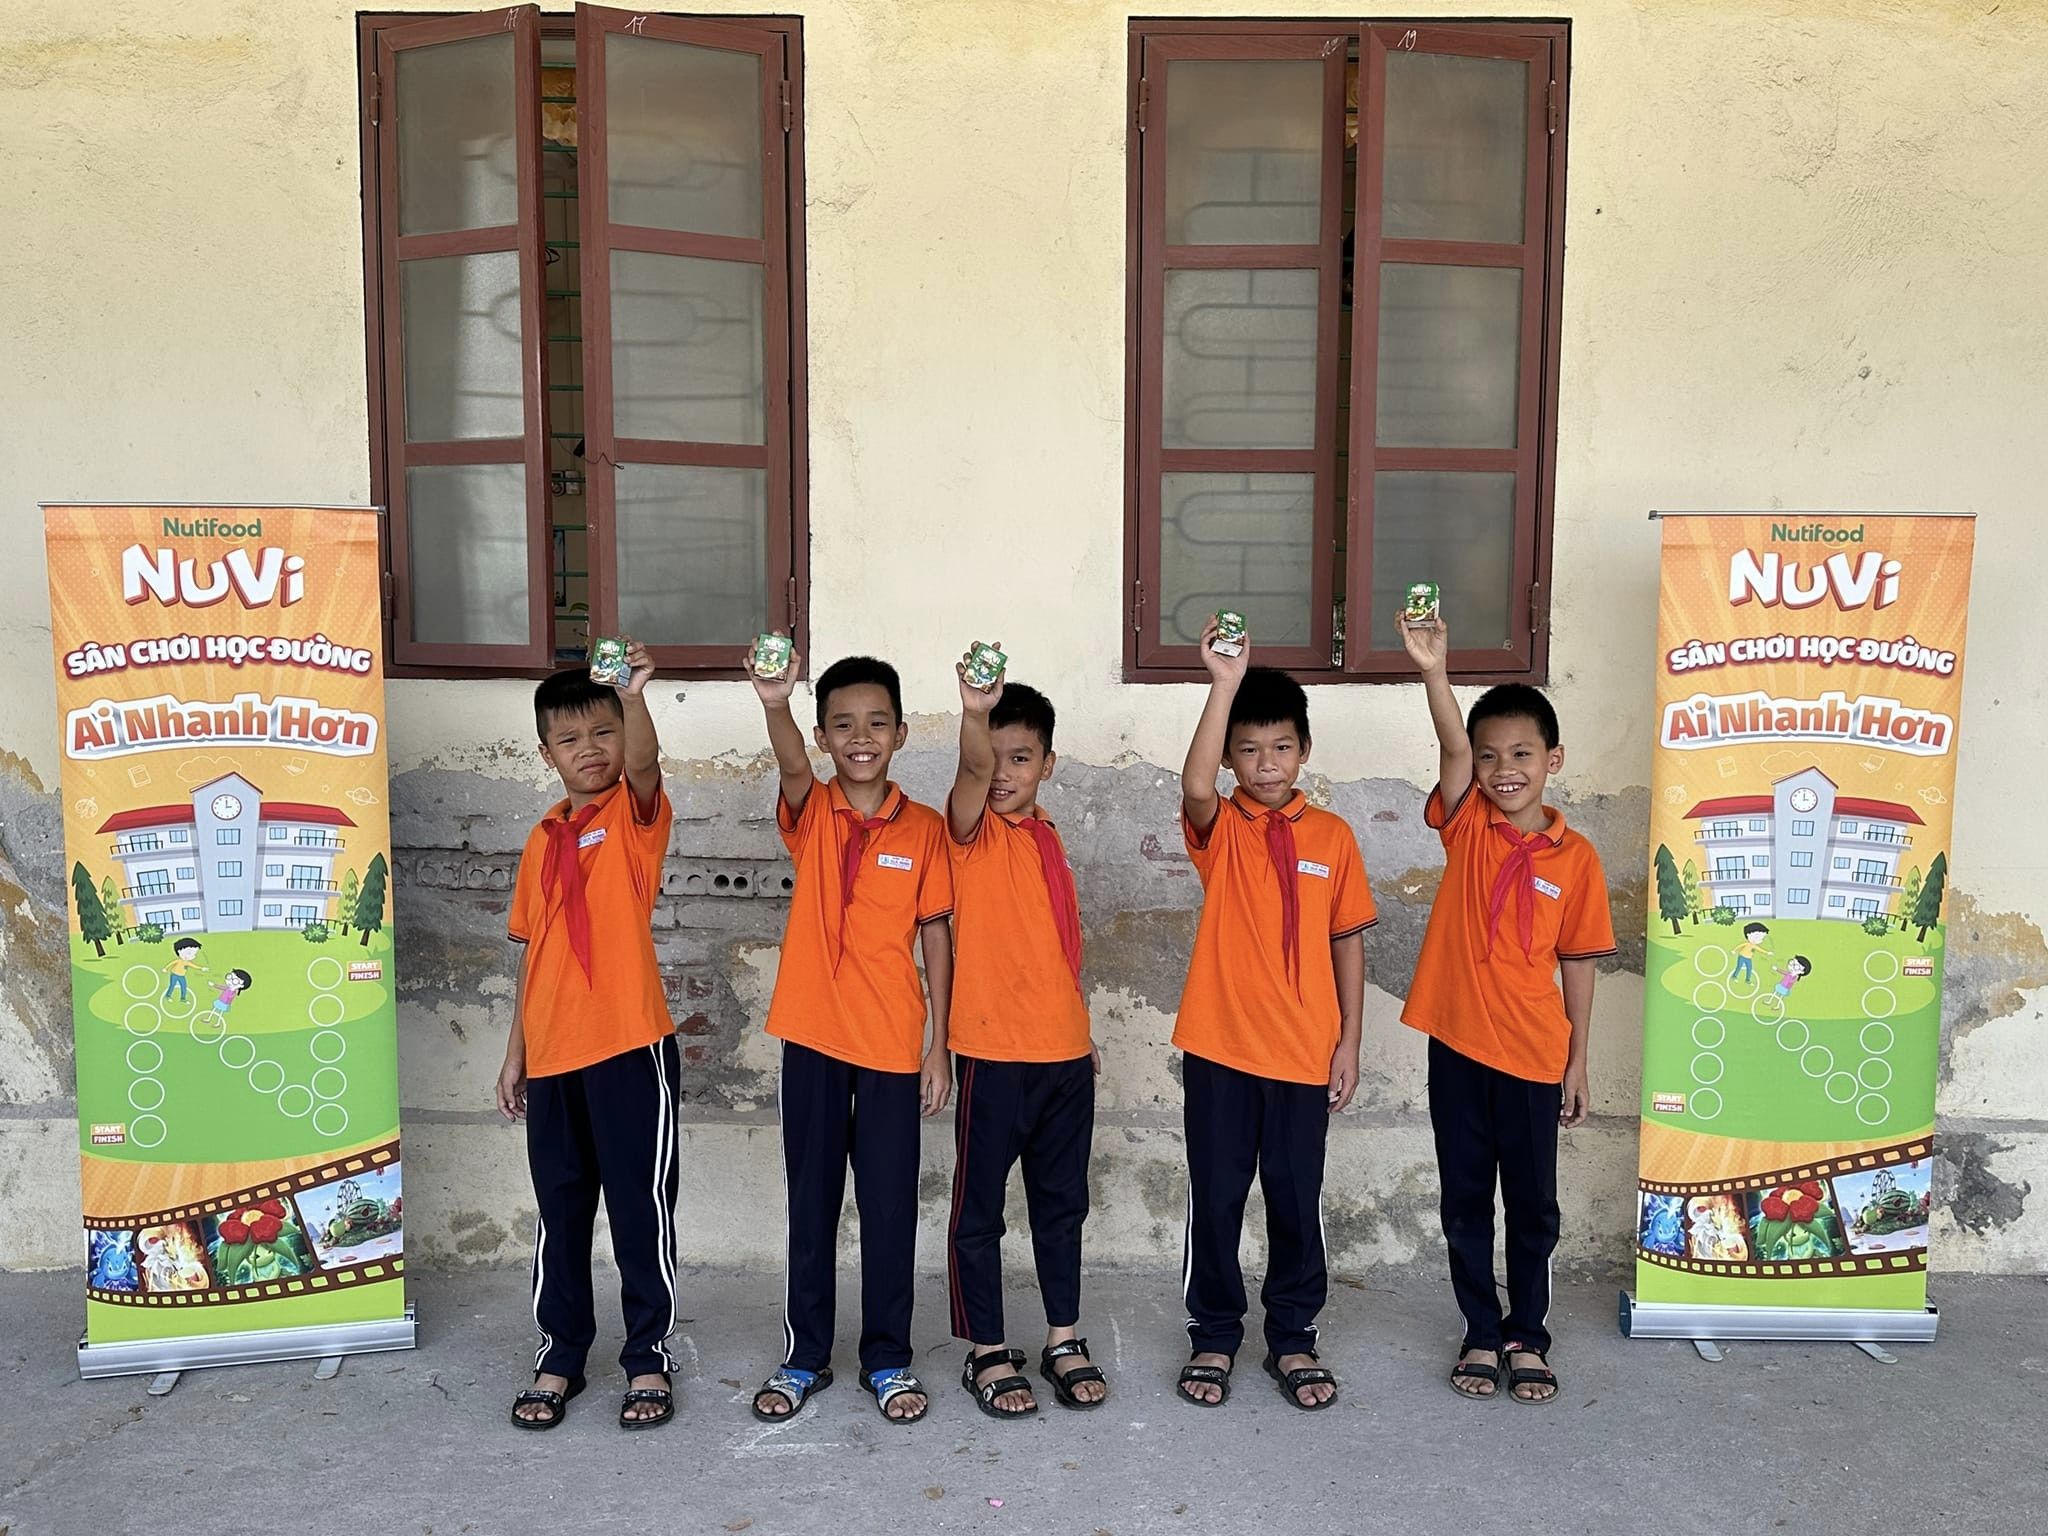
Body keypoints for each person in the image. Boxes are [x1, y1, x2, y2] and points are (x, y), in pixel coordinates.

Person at [1397, 616, 1616, 1405]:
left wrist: (1577, 1061)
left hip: (1533, 1055)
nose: (1502, 770)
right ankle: (1480, 1332)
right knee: (1464, 1202)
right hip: (1458, 1049)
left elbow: (1579, 961)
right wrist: (1435, 671)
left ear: (1553, 760)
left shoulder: (1576, 859)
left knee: (1532, 1208)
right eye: (1489, 756)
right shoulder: (1467, 826)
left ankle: (1527, 1334)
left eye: (1521, 754)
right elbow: (1452, 749)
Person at [745, 640, 954, 1427]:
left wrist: (939, 1046)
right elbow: (790, 766)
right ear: (824, 736)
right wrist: (775, 702)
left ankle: (888, 1357)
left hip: (894, 1043)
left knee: (891, 1206)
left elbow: (936, 936)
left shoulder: (925, 828)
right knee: (813, 1204)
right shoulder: (813, 815)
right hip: (813, 1038)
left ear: (901, 733)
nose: (860, 737)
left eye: (876, 722)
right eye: (842, 724)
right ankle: (804, 1356)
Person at [1172, 620, 1376, 1412]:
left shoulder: (1333, 837)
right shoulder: (1222, 828)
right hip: (1220, 1049)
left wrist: (1349, 1041)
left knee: (1295, 1199)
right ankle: (1214, 1334)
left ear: (1304, 750)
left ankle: (1293, 1336)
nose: (1266, 764)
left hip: (1303, 1054)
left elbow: (1347, 942)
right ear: (1230, 757)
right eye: (1249, 750)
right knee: (1217, 1197)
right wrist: (1222, 684)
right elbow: (1194, 788)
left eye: (1282, 747)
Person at [497, 642, 682, 1433]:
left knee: (640, 1213)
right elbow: (533, 951)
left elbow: (644, 766)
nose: (591, 750)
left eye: (603, 733)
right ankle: (561, 1354)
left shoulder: (635, 820)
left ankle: (648, 1358)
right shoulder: (542, 837)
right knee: (561, 1212)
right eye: (570, 739)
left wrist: (632, 697)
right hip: (553, 1056)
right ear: (547, 754)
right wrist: (516, 1053)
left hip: (629, 1048)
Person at [943, 655, 1107, 1419]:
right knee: (980, 1211)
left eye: (1021, 758)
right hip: (992, 1055)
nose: (1003, 773)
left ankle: (1062, 1338)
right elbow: (973, 774)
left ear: (1048, 763)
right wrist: (975, 714)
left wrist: (1080, 1028)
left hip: (1064, 1055)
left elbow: (1057, 944)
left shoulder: (1047, 837)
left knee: (1062, 1207)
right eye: (994, 757)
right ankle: (986, 1349)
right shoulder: (969, 832)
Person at [163, 936, 203, 1003]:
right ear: (179, 951)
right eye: (189, 953)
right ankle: (168, 996)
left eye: (194, 954)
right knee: (172, 985)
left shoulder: (187, 962)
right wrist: (165, 968)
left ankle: (183, 998)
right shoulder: (179, 961)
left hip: (182, 976)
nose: (192, 956)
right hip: (174, 975)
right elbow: (171, 963)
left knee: (184, 986)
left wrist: (201, 968)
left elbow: (194, 966)